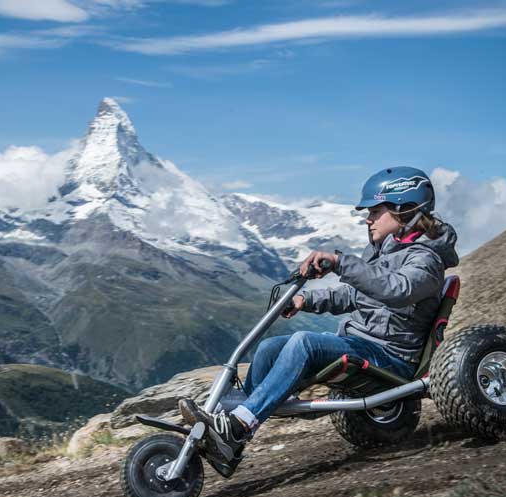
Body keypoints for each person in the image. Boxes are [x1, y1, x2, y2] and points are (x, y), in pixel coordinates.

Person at [179, 166, 460, 462]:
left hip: (392, 357)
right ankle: (230, 428)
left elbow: (396, 289)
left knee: (305, 343)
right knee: (268, 348)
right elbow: (355, 294)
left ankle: (239, 425)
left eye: (376, 211)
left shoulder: (426, 259)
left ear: (404, 209)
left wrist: (341, 263)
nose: (368, 218)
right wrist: (305, 300)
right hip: (364, 343)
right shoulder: (385, 251)